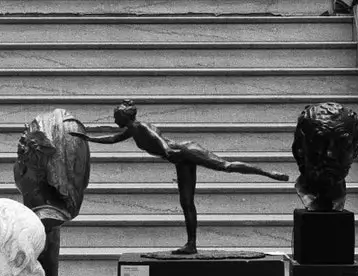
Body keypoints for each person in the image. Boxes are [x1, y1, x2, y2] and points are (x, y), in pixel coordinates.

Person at [79, 100, 288, 256]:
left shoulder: (141, 127)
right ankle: (191, 244)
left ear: (125, 117)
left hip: (184, 151)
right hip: (179, 160)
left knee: (225, 166)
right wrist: (89, 138)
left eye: (116, 116)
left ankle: (268, 173)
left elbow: (158, 139)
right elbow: (113, 138)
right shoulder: (132, 130)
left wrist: (166, 150)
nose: (114, 119)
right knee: (186, 202)